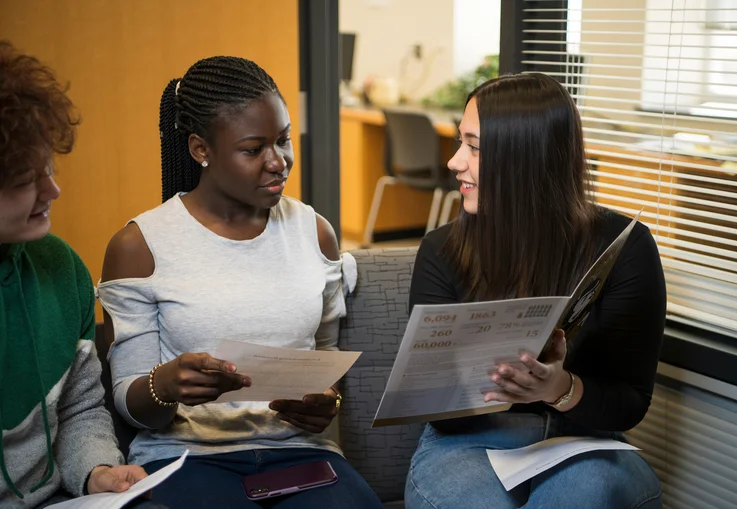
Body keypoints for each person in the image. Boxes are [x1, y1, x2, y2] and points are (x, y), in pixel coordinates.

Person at [97, 55, 383, 509]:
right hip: (184, 458)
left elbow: (325, 359)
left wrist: (324, 403)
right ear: (200, 149)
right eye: (253, 150)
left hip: (298, 454)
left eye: (284, 140)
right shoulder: (139, 246)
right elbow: (128, 402)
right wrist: (166, 385)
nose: (278, 162)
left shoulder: (315, 233)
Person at [405, 73, 666, 509]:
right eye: (460, 142)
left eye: (474, 147)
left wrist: (557, 388)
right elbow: (430, 409)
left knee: (588, 492)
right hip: (469, 443)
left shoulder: (626, 247)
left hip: (583, 443)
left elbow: (629, 403)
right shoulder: (441, 250)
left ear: (523, 158)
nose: (454, 162)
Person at [0, 41, 162, 508]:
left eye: (47, 165)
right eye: (25, 178)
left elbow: (80, 408)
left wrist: (96, 471)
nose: (53, 189)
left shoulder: (60, 267)